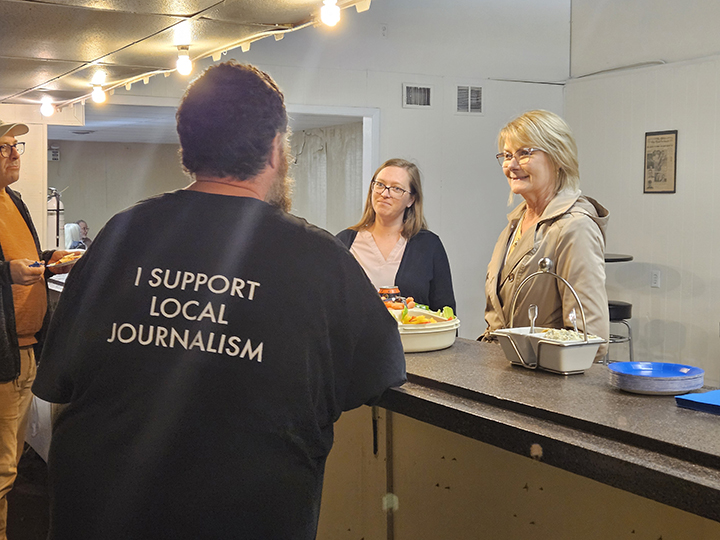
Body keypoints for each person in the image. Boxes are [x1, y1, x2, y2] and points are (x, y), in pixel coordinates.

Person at [32, 62, 406, 540]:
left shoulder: (122, 234)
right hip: (246, 511)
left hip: (100, 507)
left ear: (187, 148)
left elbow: (58, 379)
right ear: (276, 148)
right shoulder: (318, 258)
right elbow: (376, 372)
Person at [482, 110, 610, 361]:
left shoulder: (575, 227)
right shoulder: (515, 223)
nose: (512, 165)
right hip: (504, 371)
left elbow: (590, 338)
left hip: (544, 383)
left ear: (558, 157)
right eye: (507, 155)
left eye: (525, 153)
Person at [0, 120, 71, 539]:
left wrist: (52, 257)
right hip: (3, 357)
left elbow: (21, 259)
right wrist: (8, 274)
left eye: (16, 145)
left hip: (26, 351)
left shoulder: (14, 200)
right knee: (3, 470)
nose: (14, 154)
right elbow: (7, 270)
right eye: (2, 147)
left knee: (8, 464)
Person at [337, 159, 456, 312]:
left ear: (411, 199)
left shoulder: (429, 246)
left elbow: (446, 315)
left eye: (396, 188)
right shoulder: (344, 243)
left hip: (410, 336)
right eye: (380, 184)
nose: (385, 194)